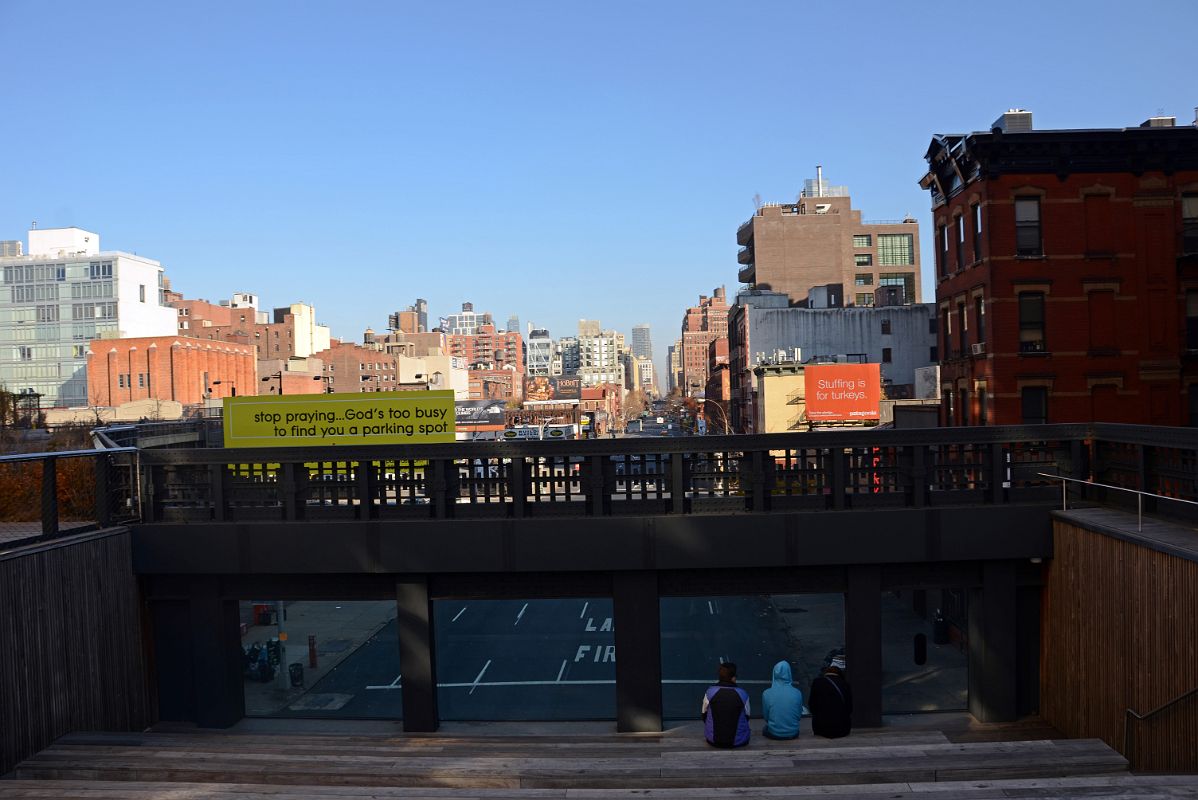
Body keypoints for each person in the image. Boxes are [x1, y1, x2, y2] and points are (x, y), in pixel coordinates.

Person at [701, 661, 751, 748]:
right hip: (738, 741)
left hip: (713, 740)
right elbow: (747, 717)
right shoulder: (743, 694)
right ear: (733, 678)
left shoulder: (710, 692)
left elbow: (703, 714)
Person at [808, 654, 852, 739]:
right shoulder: (845, 684)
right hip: (842, 729)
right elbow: (850, 708)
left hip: (821, 729)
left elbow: (812, 706)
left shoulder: (817, 683)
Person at [761, 660, 803, 740]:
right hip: (793, 733)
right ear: (789, 673)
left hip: (774, 733)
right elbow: (798, 716)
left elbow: (766, 717)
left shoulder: (766, 693)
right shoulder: (797, 693)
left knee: (765, 729)